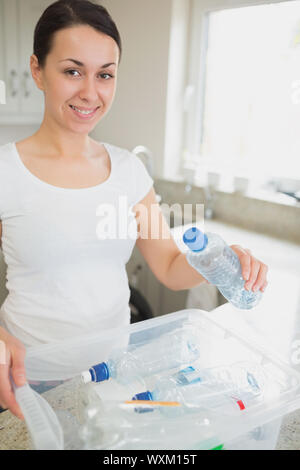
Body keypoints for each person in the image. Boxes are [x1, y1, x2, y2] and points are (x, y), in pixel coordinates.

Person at [0, 0, 268, 420]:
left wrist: (221, 259)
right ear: (38, 70)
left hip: (115, 373)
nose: (90, 91)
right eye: (73, 71)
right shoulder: (5, 171)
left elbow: (169, 266)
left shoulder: (128, 171)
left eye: (105, 74)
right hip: (28, 380)